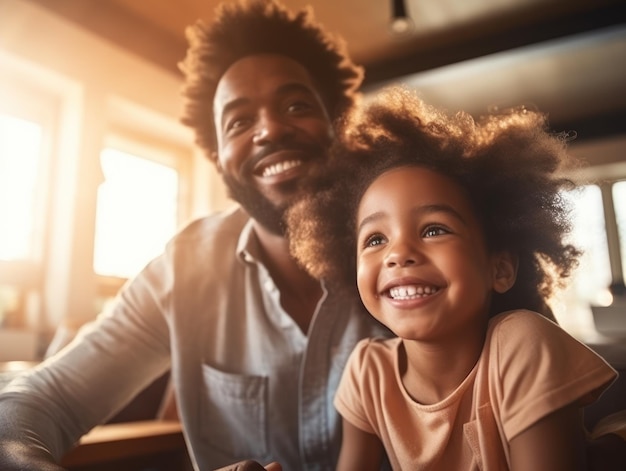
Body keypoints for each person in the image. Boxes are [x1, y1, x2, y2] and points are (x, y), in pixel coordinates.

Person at [0, 1, 390, 470]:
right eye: (239, 121)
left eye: (296, 105)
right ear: (218, 154)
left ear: (338, 124)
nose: (269, 129)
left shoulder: (412, 249)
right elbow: (40, 402)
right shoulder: (184, 270)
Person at [286, 86, 620, 470]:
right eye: (375, 239)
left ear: (500, 268)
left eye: (433, 230)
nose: (398, 254)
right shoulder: (367, 371)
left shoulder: (522, 344)